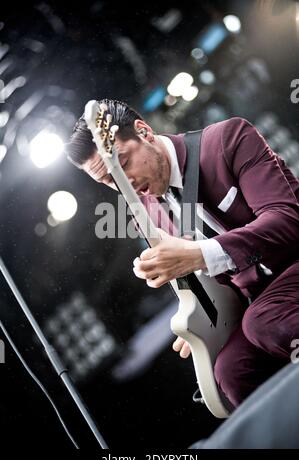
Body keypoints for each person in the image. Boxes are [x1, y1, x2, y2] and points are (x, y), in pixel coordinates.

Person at [65, 98, 299, 410]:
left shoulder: (228, 138)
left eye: (122, 164)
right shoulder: (144, 215)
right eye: (110, 180)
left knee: (264, 322)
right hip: (258, 300)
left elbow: (286, 219)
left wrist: (199, 254)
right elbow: (218, 285)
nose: (126, 185)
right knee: (230, 373)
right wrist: (202, 326)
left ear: (144, 132)